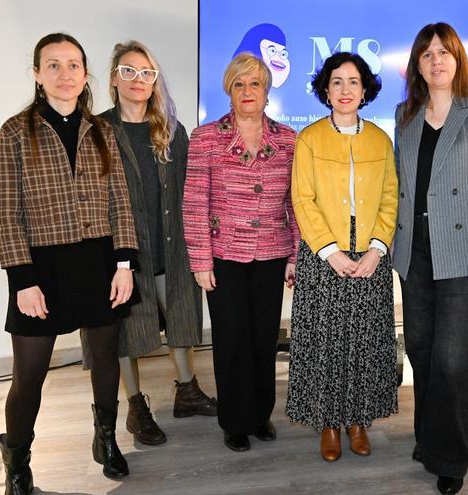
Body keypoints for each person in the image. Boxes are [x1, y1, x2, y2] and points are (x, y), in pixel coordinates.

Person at [0, 33, 137, 493]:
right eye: (53, 65)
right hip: (41, 268)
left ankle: (106, 440)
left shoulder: (102, 131)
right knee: (29, 375)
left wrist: (124, 265)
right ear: (37, 74)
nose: (64, 74)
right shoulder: (14, 132)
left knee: (105, 359)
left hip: (99, 261)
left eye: (73, 64)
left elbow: (120, 201)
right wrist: (22, 280)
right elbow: (7, 211)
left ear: (85, 73)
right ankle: (17, 461)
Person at [393, 23, 468, 494]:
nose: (436, 60)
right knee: (421, 350)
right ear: (417, 66)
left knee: (454, 357)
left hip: (465, 251)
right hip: (414, 250)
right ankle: (428, 436)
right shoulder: (406, 113)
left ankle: (450, 457)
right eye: (427, 54)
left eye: (444, 52)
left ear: (458, 57)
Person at [94, 40, 217, 448]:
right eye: (129, 71)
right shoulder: (97, 131)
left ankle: (187, 390)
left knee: (181, 317)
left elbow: (191, 190)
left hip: (171, 245)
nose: (138, 79)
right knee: (126, 330)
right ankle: (135, 405)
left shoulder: (171, 130)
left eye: (147, 73)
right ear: (114, 79)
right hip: (121, 252)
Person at [183, 52, 300, 453]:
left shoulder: (288, 140)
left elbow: (296, 202)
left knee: (264, 339)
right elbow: (194, 203)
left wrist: (295, 255)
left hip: (271, 252)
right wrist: (200, 261)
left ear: (267, 91)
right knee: (231, 339)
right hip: (223, 258)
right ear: (229, 91)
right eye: (239, 84)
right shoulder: (205, 138)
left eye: (255, 83)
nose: (247, 91)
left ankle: (260, 414)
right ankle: (234, 420)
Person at [286, 52, 399, 462]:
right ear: (326, 90)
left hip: (370, 255)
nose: (345, 89)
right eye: (337, 82)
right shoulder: (310, 138)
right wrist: (330, 251)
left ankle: (358, 421)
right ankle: (329, 424)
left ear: (365, 89)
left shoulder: (380, 140)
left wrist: (377, 248)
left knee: (364, 342)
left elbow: (390, 198)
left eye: (353, 81)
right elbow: (303, 199)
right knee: (325, 343)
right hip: (323, 255)